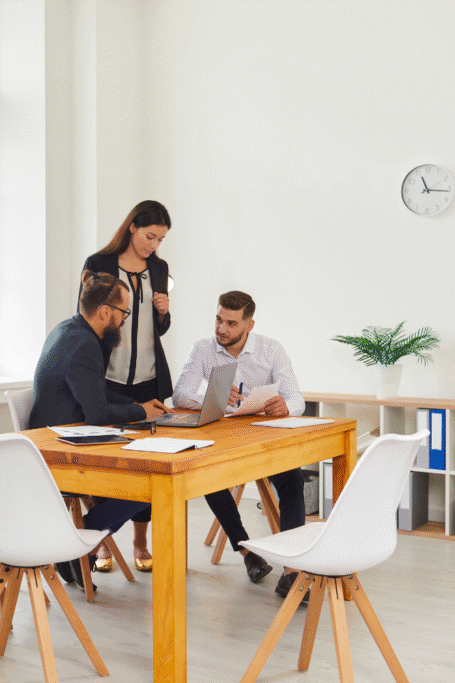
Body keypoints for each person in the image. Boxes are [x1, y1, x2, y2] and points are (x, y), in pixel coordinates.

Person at [30, 271, 169, 586]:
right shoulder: (84, 344)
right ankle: (77, 542)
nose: (123, 321)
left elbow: (96, 392)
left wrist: (144, 406)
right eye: (124, 313)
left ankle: (82, 547)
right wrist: (140, 411)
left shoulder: (68, 330)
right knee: (146, 487)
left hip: (53, 437)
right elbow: (97, 413)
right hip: (62, 449)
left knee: (138, 482)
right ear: (106, 312)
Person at [172, 290, 308, 598]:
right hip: (220, 436)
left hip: (261, 437)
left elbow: (296, 396)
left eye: (231, 323)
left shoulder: (271, 351)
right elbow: (179, 394)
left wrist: (285, 407)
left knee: (292, 479)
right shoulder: (203, 349)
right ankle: (247, 552)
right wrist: (210, 396)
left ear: (249, 325)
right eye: (219, 320)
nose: (222, 329)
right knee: (206, 476)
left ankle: (292, 571)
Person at [80, 199, 172, 573]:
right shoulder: (98, 264)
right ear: (132, 226)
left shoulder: (159, 268)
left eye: (161, 239)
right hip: (108, 377)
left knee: (148, 464)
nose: (154, 245)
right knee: (109, 463)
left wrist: (164, 312)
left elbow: (159, 328)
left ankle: (139, 541)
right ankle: (100, 541)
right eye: (150, 236)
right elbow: (87, 316)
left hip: (149, 376)